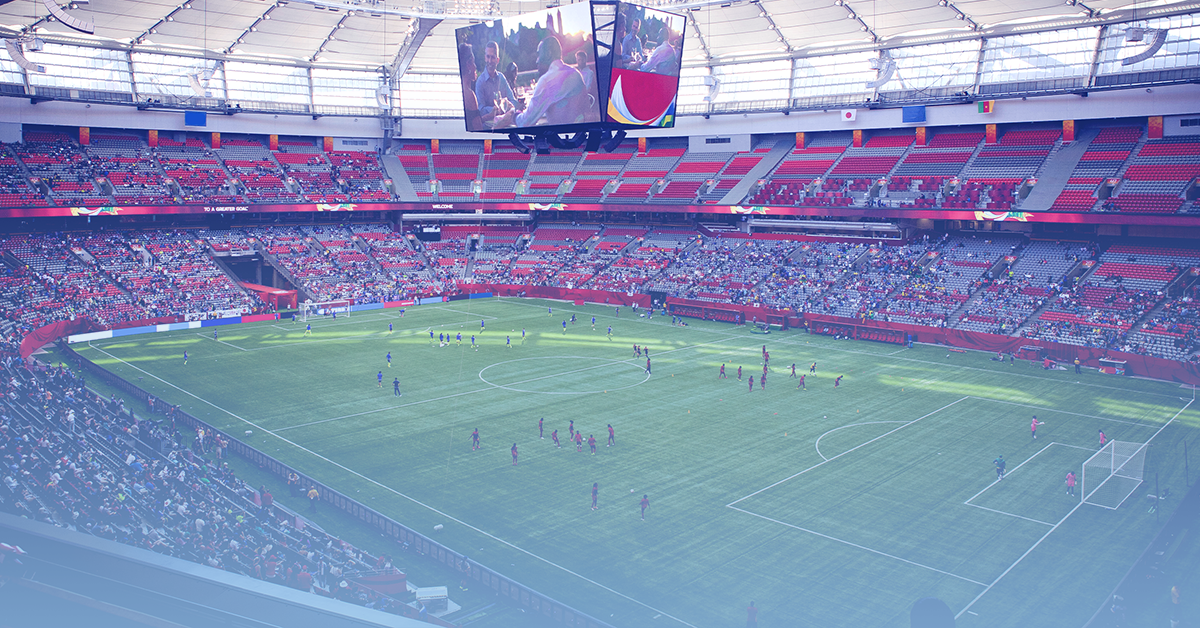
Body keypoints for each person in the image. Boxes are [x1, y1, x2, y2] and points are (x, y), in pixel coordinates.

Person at [493, 35, 594, 127]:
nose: (537, 60)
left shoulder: (547, 81)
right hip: (583, 134)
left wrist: (512, 114)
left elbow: (525, 122)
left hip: (564, 142)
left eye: (539, 54)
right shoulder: (575, 72)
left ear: (549, 54)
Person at [474, 41, 519, 118]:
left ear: (497, 60)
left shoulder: (502, 78)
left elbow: (513, 100)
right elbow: (480, 109)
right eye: (488, 57)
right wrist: (495, 110)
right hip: (490, 125)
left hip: (505, 121)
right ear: (485, 58)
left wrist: (514, 105)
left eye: (493, 57)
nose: (490, 61)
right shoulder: (480, 82)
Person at [458, 43, 488, 131]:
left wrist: (489, 116)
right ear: (468, 64)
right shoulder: (469, 95)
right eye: (473, 62)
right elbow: (478, 129)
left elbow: (472, 120)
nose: (475, 66)